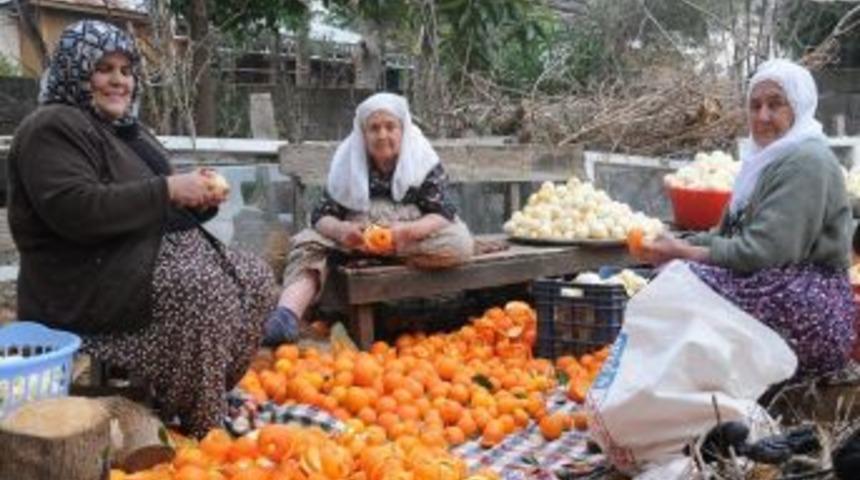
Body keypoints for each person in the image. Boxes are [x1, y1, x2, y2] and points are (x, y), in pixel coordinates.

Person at [7, 20, 276, 437]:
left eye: (126, 70)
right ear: (76, 71)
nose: (119, 81)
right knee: (201, 288)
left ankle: (203, 397)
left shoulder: (128, 133)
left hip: (132, 268)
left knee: (256, 278)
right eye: (105, 69)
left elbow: (156, 206)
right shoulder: (52, 127)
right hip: (83, 285)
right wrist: (170, 188)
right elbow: (77, 210)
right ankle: (203, 428)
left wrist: (197, 199)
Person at [635, 59, 855, 378]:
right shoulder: (764, 163)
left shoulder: (807, 161)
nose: (762, 116)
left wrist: (682, 253)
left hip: (810, 309)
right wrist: (673, 244)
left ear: (799, 107)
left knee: (680, 282)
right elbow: (725, 236)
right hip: (773, 285)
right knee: (671, 275)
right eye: (755, 106)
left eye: (775, 104)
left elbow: (763, 252)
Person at [265, 93, 474, 344]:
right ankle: (285, 317)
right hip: (354, 238)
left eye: (390, 127)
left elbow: (443, 213)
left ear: (402, 129)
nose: (382, 135)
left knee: (459, 242)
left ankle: (373, 257)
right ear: (363, 135)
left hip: (406, 239)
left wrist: (406, 233)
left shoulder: (423, 159)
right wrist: (342, 230)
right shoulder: (348, 161)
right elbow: (321, 216)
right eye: (374, 128)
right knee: (307, 243)